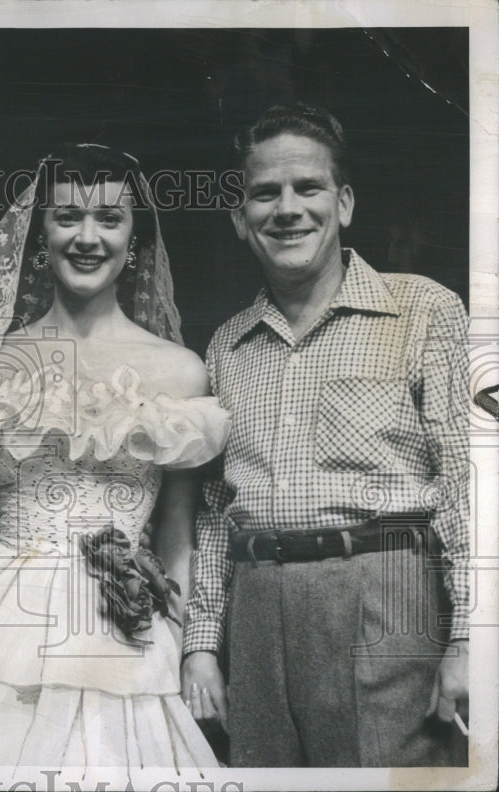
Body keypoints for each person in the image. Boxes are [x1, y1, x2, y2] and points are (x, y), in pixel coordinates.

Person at [0, 144, 230, 770]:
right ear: (40, 231)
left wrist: (174, 642)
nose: (87, 237)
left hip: (125, 624)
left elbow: (179, 532)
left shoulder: (181, 373)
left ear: (135, 239)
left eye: (109, 218)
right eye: (67, 216)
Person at [181, 103, 470, 766]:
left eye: (307, 188)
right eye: (264, 193)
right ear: (239, 219)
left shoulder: (423, 309)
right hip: (255, 614)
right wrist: (201, 639)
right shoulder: (226, 346)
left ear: (343, 203)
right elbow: (216, 510)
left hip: (386, 596)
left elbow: (470, 483)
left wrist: (473, 639)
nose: (287, 209)